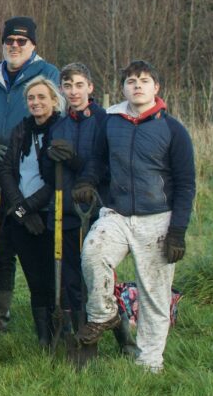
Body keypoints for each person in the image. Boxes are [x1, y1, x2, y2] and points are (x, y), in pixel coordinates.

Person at [76, 61, 197, 373]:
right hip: (117, 213)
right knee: (92, 253)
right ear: (123, 88)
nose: (137, 86)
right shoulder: (111, 123)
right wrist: (88, 181)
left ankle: (149, 363)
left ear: (156, 88)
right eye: (131, 81)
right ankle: (104, 314)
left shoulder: (173, 130)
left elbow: (185, 184)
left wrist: (178, 231)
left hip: (158, 219)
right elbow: (99, 160)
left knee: (155, 294)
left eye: (144, 81)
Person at [0, 16, 60, 332]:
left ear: (33, 45)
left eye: (22, 41)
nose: (15, 46)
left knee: (38, 247)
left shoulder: (47, 75)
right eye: (10, 41)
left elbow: (53, 117)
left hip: (29, 174)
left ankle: (50, 311)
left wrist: (12, 148)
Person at [50, 62, 118, 347]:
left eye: (79, 85)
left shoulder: (105, 121)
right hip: (66, 211)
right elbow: (52, 170)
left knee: (99, 279)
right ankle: (80, 336)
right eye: (68, 86)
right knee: (71, 278)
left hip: (98, 210)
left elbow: (106, 163)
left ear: (90, 87)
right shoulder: (59, 124)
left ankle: (122, 336)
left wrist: (76, 161)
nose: (73, 91)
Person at [0, 74, 63, 350]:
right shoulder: (21, 130)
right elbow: (6, 170)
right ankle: (43, 339)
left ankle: (60, 331)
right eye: (31, 98)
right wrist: (21, 208)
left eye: (41, 97)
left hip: (51, 214)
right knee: (34, 278)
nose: (36, 102)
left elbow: (57, 179)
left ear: (53, 100)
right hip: (21, 215)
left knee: (52, 277)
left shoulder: (60, 129)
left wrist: (31, 206)